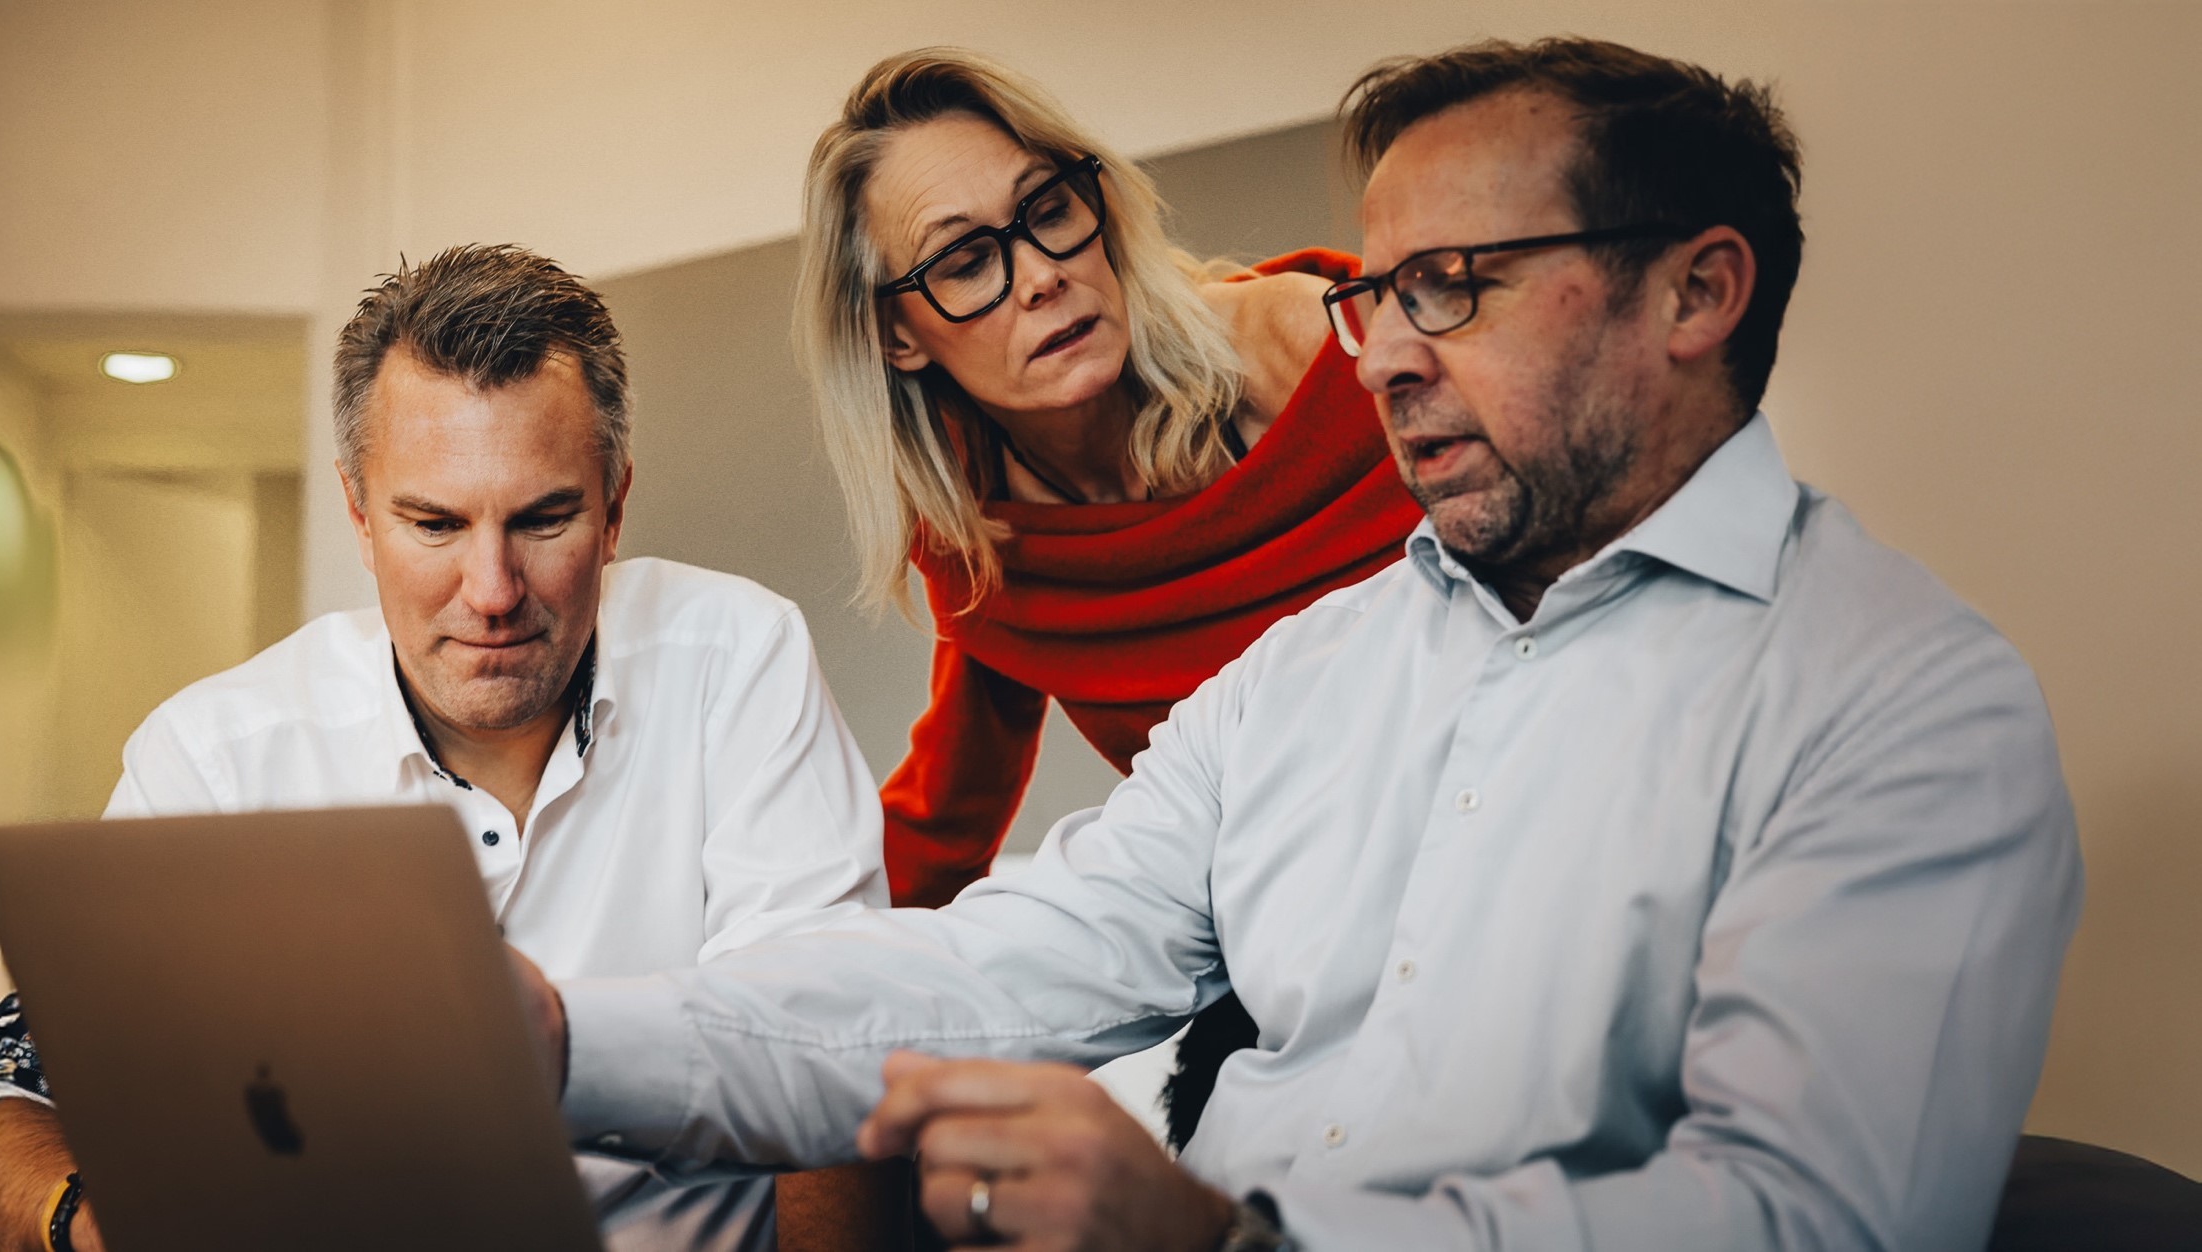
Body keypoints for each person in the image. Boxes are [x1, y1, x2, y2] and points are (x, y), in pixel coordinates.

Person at [521, 37, 2083, 1251]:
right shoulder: (1300, 678)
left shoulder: (1898, 708)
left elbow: (1804, 1220)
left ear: (1695, 290)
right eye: (1381, 290)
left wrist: (1226, 1240)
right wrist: (558, 1037)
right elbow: (990, 966)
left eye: (1450, 290)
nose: (1380, 347)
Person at [0, 244, 889, 1252]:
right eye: (433, 523)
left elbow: (823, 1055)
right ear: (358, 513)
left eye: (544, 517)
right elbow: (7, 1097)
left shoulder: (736, 658)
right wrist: (85, 1222)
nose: (491, 589)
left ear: (613, 507)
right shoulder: (216, 757)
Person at [799, 47, 1424, 1139]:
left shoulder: (1313, 344)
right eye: (962, 262)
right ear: (896, 331)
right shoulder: (983, 548)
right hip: (1283, 976)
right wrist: (775, 985)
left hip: (1507, 871)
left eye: (1046, 208)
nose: (1038, 272)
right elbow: (940, 828)